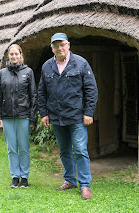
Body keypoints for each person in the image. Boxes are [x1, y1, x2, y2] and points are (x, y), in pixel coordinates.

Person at [38, 33, 98, 200]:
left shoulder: (80, 63)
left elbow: (91, 90)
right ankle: (70, 180)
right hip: (57, 117)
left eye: (62, 44)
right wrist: (43, 113)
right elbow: (41, 92)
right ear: (52, 48)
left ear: (68, 45)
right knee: (64, 151)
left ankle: (85, 185)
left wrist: (88, 112)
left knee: (79, 149)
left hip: (77, 116)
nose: (59, 48)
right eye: (56, 45)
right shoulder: (47, 67)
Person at [0, 44, 37, 188]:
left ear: (20, 55)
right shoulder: (2, 73)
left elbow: (33, 96)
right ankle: (15, 177)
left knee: (24, 147)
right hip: (7, 117)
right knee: (11, 148)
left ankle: (24, 177)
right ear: (8, 56)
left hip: (23, 116)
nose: (14, 57)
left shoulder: (28, 72)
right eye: (11, 54)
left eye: (16, 54)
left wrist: (32, 117)